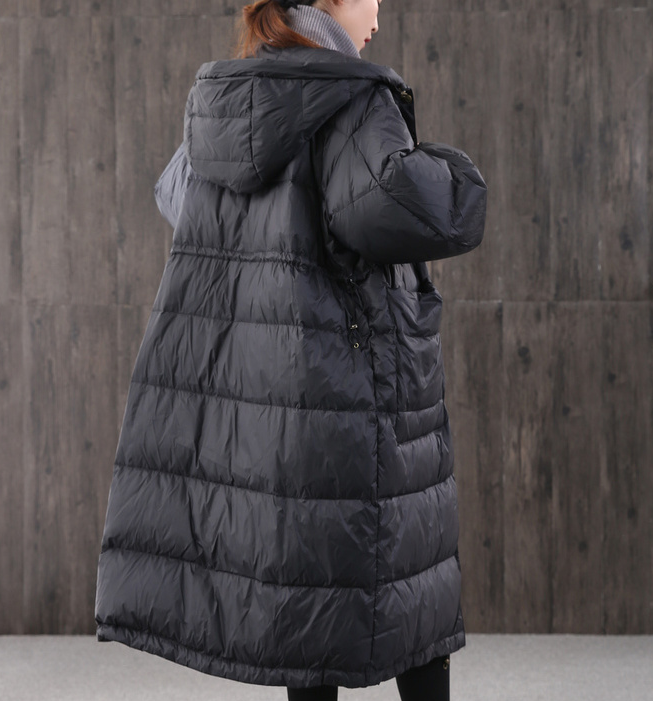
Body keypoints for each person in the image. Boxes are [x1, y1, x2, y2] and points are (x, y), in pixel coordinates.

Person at [94, 1, 487, 700]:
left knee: (306, 599)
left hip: (269, 394)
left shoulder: (227, 98)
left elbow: (181, 200)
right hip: (356, 388)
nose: (378, 13)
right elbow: (408, 209)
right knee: (413, 586)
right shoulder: (351, 98)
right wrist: (451, 166)